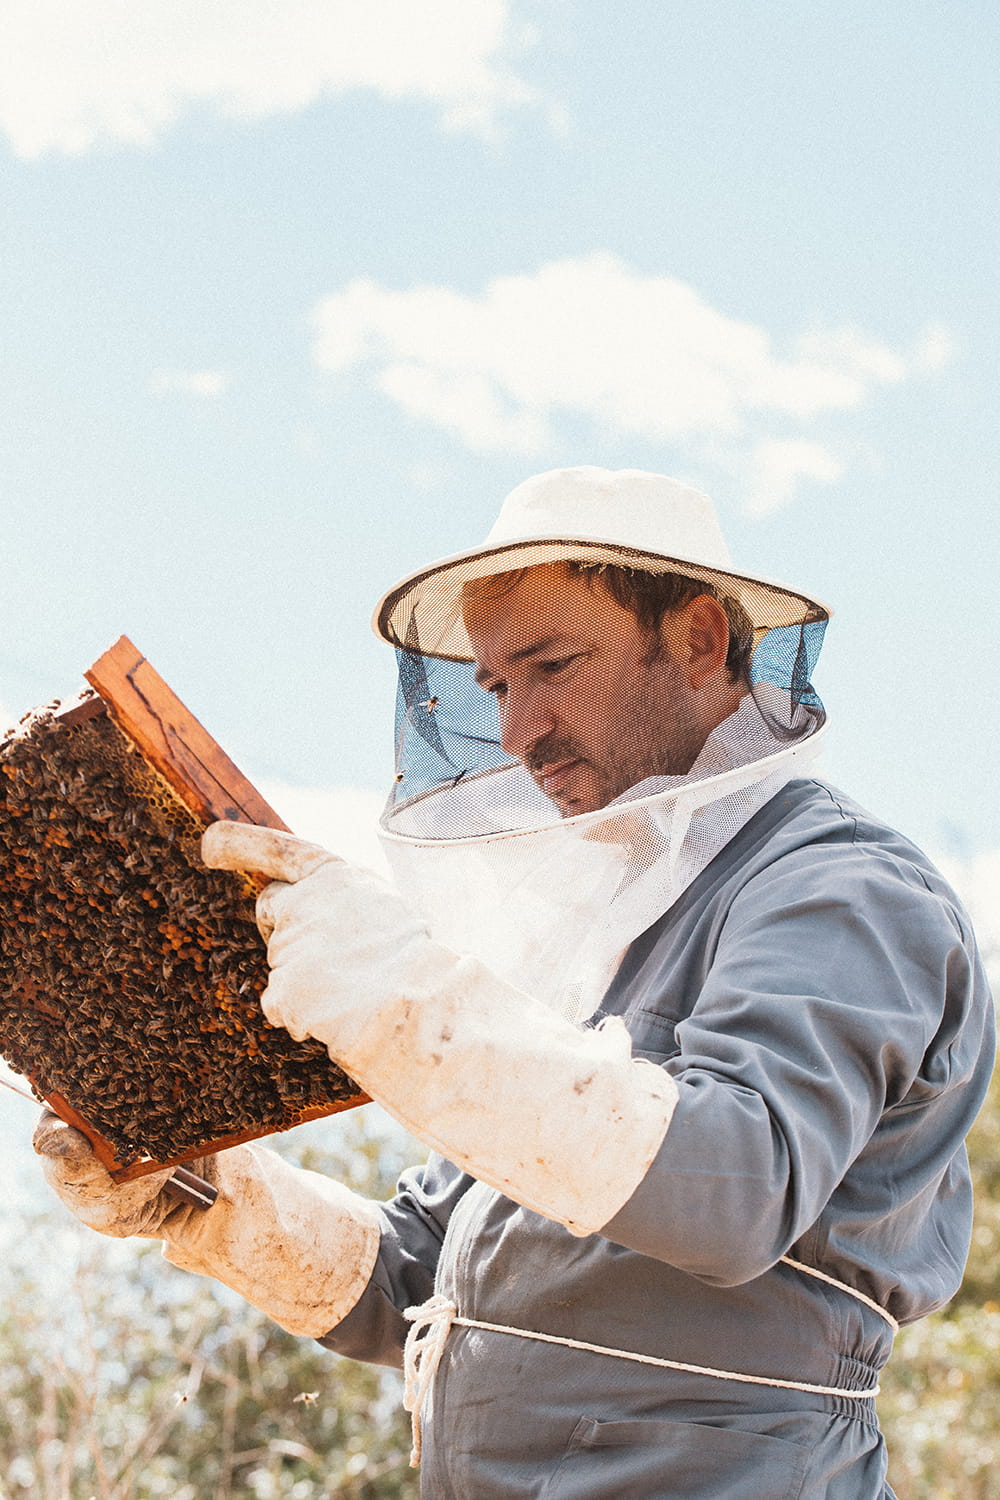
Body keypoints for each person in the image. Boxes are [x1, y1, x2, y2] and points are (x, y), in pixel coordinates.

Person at [35, 467, 995, 1498]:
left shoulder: (839, 893)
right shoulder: (618, 947)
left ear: (701, 640)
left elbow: (734, 1186)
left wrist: (401, 999)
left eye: (551, 666)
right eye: (497, 685)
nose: (515, 731)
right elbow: (424, 1275)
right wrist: (216, 1209)